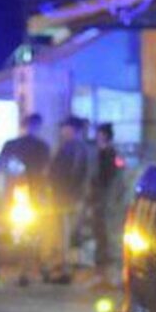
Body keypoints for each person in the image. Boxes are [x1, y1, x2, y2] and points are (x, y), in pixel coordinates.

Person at [0, 114, 50, 286]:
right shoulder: (42, 147)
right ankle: (29, 268)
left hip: (17, 196)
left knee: (24, 233)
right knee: (31, 234)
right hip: (31, 196)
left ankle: (25, 269)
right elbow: (45, 173)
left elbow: (2, 166)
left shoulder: (12, 145)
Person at [45, 116, 89, 284]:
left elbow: (70, 174)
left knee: (64, 234)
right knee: (66, 234)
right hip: (70, 197)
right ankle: (63, 269)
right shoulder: (80, 147)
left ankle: (64, 271)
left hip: (65, 198)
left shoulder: (72, 147)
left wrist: (61, 192)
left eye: (65, 127)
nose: (62, 130)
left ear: (72, 129)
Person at [88, 123, 125, 289]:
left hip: (106, 204)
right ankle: (105, 277)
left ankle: (111, 277)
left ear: (103, 135)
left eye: (98, 134)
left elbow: (109, 181)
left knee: (108, 239)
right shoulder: (107, 154)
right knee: (102, 239)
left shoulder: (108, 155)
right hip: (104, 204)